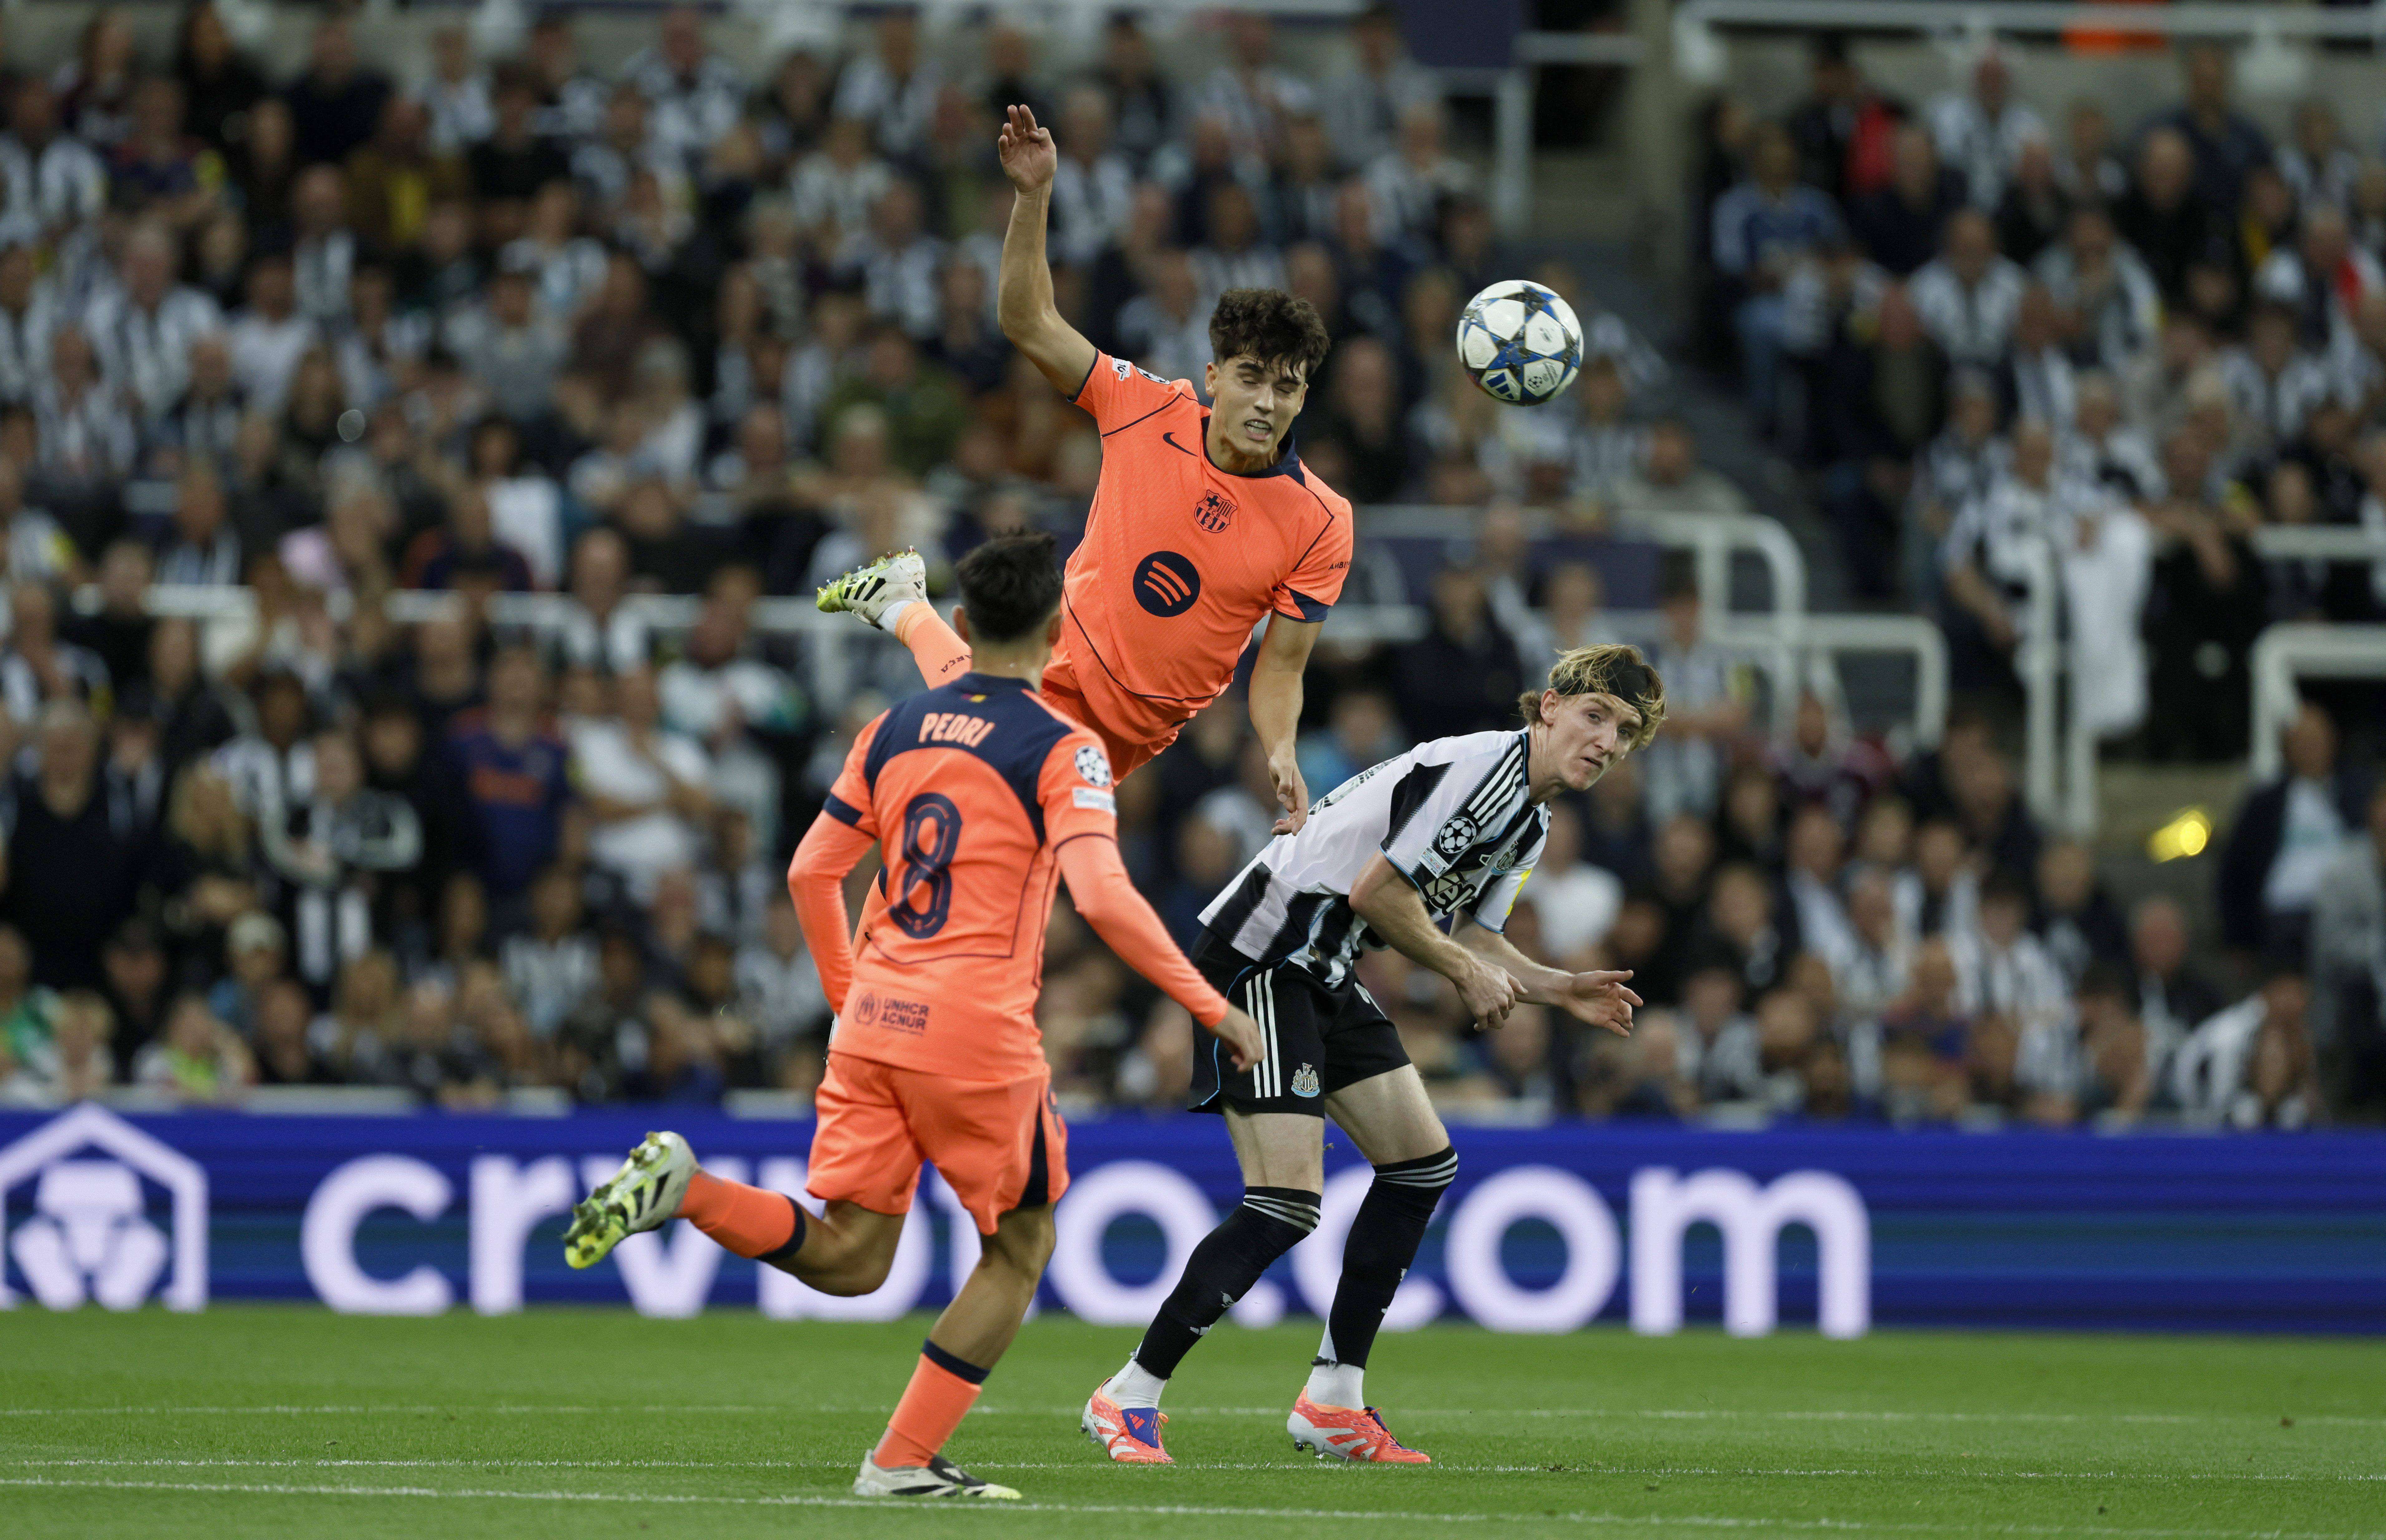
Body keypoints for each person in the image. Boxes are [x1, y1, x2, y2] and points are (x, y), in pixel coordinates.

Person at [560, 534, 1261, 1502]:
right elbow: (1101, 900)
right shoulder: (1067, 747)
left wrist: (854, 1000)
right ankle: (897, 1462)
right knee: (1020, 1252)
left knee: (853, 1259)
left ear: (966, 627)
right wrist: (1213, 1007)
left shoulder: (891, 729)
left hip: (874, 1021)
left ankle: (689, 1191)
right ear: (1061, 628)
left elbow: (813, 874)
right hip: (976, 1034)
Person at [1082, 644, 1660, 1467]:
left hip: (1324, 963)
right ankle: (1128, 1396)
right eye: (1596, 715)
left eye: (1627, 732)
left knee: (1422, 1165)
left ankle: (1334, 1402)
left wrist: (1558, 988)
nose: (1606, 740)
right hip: (1265, 952)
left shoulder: (1531, 816)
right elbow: (1380, 895)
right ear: (1550, 708)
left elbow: (1482, 936)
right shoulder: (1488, 773)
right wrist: (1464, 973)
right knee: (1285, 1199)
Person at [816, 103, 1346, 836]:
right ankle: (903, 608)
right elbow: (1028, 321)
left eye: (1285, 387)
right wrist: (1033, 197)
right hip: (1058, 659)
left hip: (1137, 732)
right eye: (1250, 376)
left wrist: (1280, 747)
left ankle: (903, 604)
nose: (1265, 401)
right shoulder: (1146, 407)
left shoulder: (1322, 522)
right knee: (966, 822)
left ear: (1303, 397)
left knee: (985, 824)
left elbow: (1282, 667)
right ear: (1213, 375)